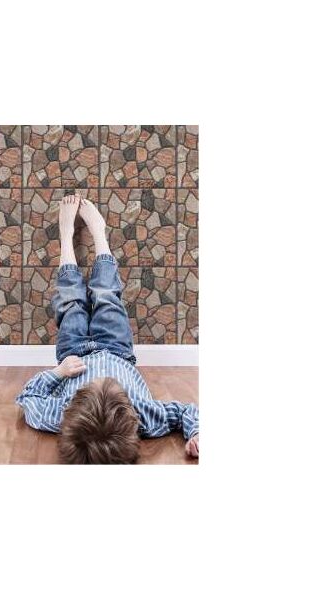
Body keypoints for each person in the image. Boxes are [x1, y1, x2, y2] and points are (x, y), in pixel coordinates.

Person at [15, 195, 199, 464]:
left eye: (91, 385)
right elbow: (185, 412)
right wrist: (197, 432)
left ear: (70, 409)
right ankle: (99, 235)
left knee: (70, 300)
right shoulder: (146, 416)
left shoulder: (57, 415)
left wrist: (59, 372)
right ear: (132, 413)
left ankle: (66, 235)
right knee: (107, 295)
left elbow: (27, 397)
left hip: (74, 351)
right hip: (116, 348)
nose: (100, 377)